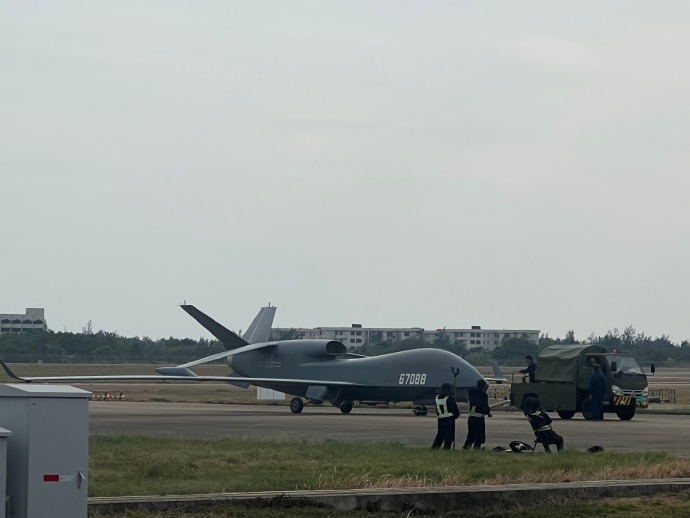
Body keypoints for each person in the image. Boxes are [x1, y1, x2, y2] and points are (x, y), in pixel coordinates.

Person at [463, 379, 492, 450]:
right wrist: (488, 413)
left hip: (471, 417)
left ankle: (466, 447)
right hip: (479, 418)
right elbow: (484, 407)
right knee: (479, 435)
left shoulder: (470, 394)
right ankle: (476, 448)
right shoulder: (483, 395)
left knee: (471, 434)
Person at [431, 383, 460, 449]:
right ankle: (446, 449)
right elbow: (455, 412)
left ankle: (435, 448)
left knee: (439, 436)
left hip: (440, 420)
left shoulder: (437, 398)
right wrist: (455, 416)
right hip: (449, 421)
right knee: (448, 437)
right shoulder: (449, 399)